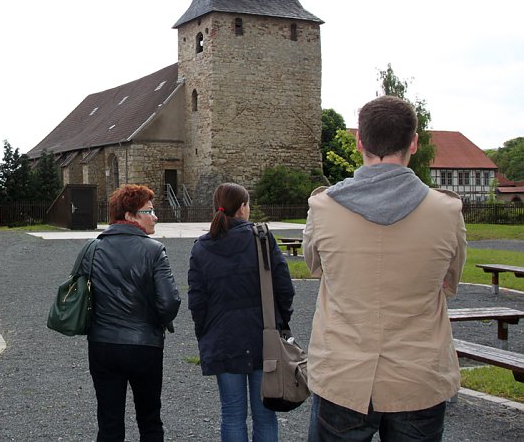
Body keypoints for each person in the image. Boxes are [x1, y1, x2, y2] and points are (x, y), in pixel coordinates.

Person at [304, 95, 467, 441]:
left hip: (344, 372)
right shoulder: (447, 212)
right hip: (418, 374)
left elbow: (316, 266)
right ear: (414, 143)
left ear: (360, 141)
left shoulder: (323, 208)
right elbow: (449, 281)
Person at [188, 183, 295, 442]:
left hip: (223, 337)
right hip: (264, 335)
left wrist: (205, 331)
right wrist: (281, 320)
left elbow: (197, 300)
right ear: (243, 207)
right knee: (265, 415)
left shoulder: (202, 247)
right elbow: (284, 288)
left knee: (232, 414)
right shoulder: (261, 238)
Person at [80, 184, 181, 442]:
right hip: (144, 345)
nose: (155, 216)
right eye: (148, 211)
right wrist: (154, 322)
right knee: (149, 420)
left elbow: (81, 297)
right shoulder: (154, 250)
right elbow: (169, 302)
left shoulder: (92, 248)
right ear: (128, 216)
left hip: (102, 344)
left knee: (109, 423)